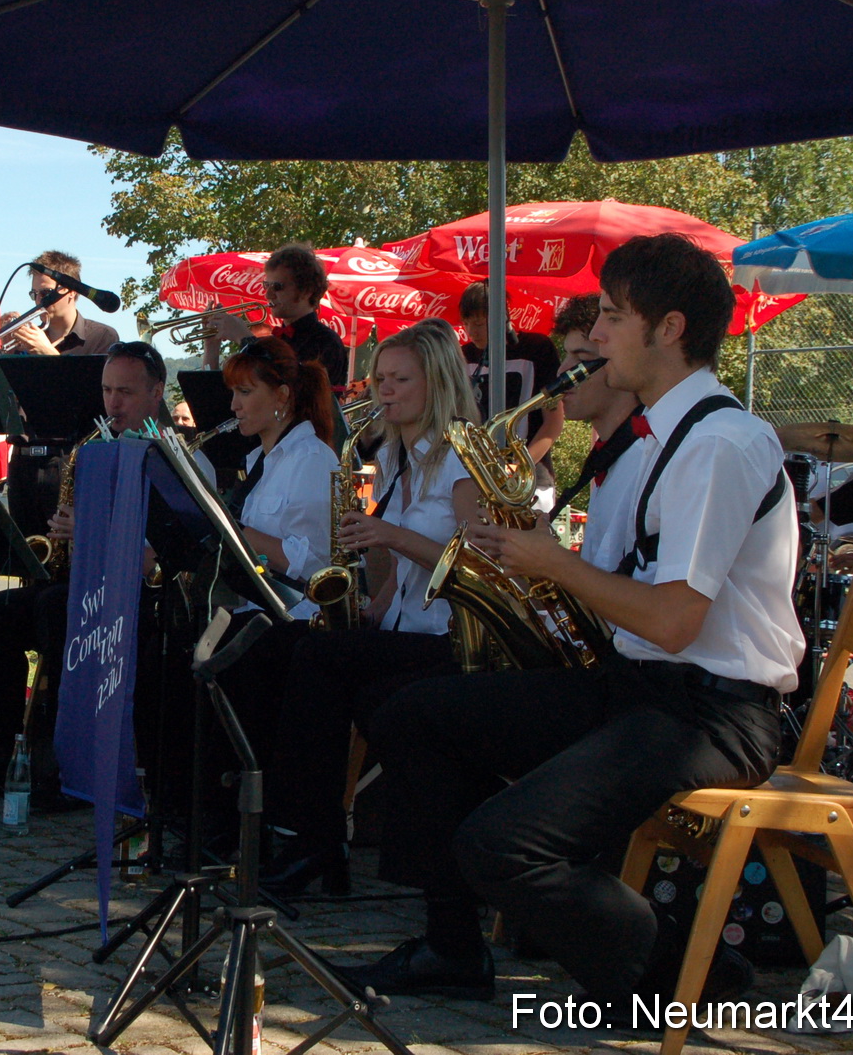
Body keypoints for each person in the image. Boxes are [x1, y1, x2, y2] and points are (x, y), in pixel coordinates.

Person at [339, 234, 801, 1014]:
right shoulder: (659, 440)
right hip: (639, 688)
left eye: (616, 318)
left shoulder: (718, 443)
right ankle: (453, 947)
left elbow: (677, 620)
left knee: (500, 842)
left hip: (711, 712)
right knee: (414, 714)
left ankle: (690, 973)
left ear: (670, 328)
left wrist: (550, 564)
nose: (600, 337)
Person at [262, 321, 480, 895]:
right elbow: (397, 581)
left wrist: (387, 534)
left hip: (453, 639)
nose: (384, 390)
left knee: (318, 660)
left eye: (400, 379)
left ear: (438, 383)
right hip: (407, 629)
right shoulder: (390, 458)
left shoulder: (464, 460)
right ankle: (301, 833)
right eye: (380, 378)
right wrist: (371, 602)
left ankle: (314, 841)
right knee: (284, 644)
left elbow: (475, 567)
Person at [0, 341, 171, 798]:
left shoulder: (172, 457)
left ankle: (61, 761)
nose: (113, 403)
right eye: (106, 391)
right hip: (89, 585)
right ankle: (2, 752)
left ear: (156, 393)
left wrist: (89, 530)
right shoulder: (96, 451)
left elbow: (157, 558)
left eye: (126, 392)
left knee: (56, 611)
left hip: (141, 597)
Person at [203, 337, 338, 803]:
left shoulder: (312, 459)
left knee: (223, 657)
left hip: (295, 620)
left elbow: (314, 564)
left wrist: (230, 529)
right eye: (233, 393)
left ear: (281, 396)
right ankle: (201, 806)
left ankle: (235, 809)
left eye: (245, 393)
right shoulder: (261, 461)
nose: (234, 405)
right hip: (256, 610)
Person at [549, 293, 646, 572]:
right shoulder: (611, 453)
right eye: (566, 354)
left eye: (581, 357)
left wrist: (549, 562)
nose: (563, 370)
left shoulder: (642, 457)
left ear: (616, 361)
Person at [458, 281, 565, 511]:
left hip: (532, 480)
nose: (471, 331)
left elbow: (554, 421)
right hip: (478, 480)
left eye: (478, 322)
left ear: (501, 317)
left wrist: (519, 466)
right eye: (466, 323)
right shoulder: (463, 356)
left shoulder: (537, 348)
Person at [207, 244, 350, 389]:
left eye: (278, 287)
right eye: (266, 285)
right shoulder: (275, 341)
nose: (268, 294)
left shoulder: (326, 342)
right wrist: (211, 346)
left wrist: (245, 339)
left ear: (306, 291)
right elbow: (232, 398)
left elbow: (286, 391)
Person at [0, 252, 118, 356]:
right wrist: (8, 355)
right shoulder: (28, 341)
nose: (38, 300)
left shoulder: (102, 336)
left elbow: (95, 382)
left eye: (45, 293)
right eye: (34, 294)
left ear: (72, 291)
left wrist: (48, 354)